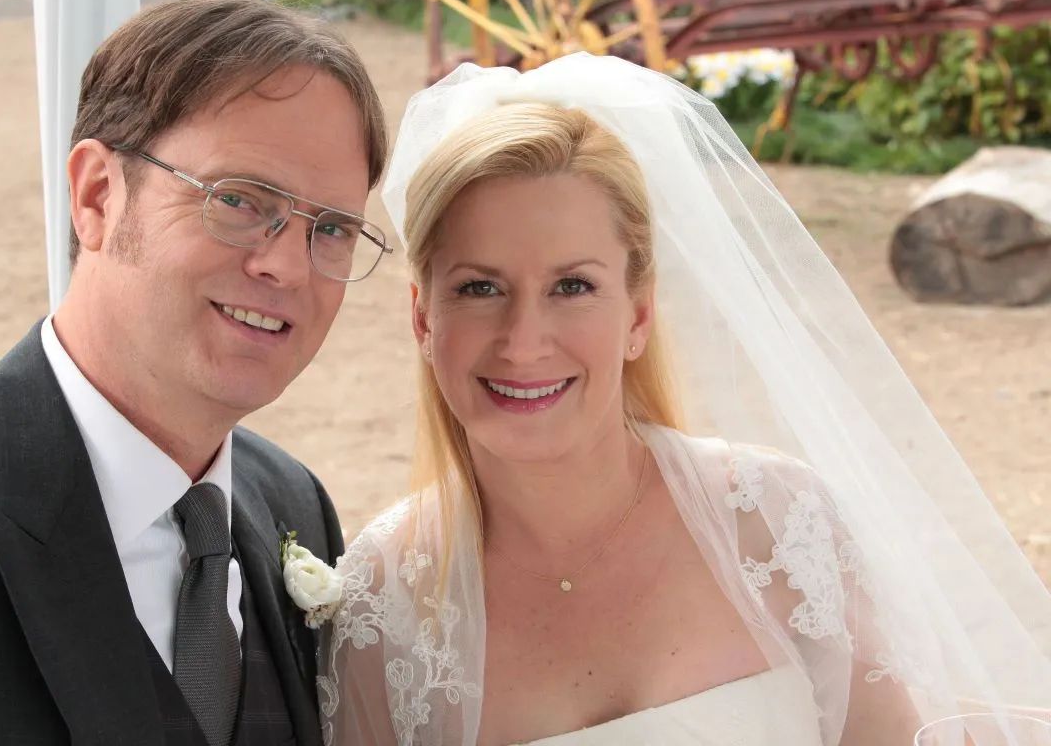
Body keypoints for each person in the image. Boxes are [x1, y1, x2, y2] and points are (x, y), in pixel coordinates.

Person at [319, 53, 1051, 745]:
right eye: (480, 288)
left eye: (572, 286)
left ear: (638, 316)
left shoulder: (775, 524)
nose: (524, 340)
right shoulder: (381, 600)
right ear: (422, 317)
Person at [0, 0, 389, 746]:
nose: (287, 266)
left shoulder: (294, 505)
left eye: (330, 228)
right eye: (238, 199)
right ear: (96, 195)